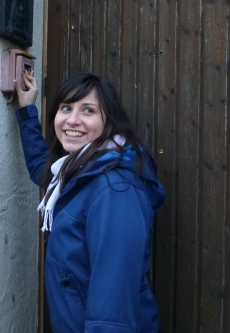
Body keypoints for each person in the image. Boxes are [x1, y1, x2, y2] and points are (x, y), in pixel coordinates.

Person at [14, 71, 165, 332]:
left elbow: (112, 313)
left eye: (88, 110)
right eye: (66, 108)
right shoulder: (79, 171)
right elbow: (43, 169)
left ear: (110, 121)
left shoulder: (115, 191)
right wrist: (27, 110)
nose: (72, 120)